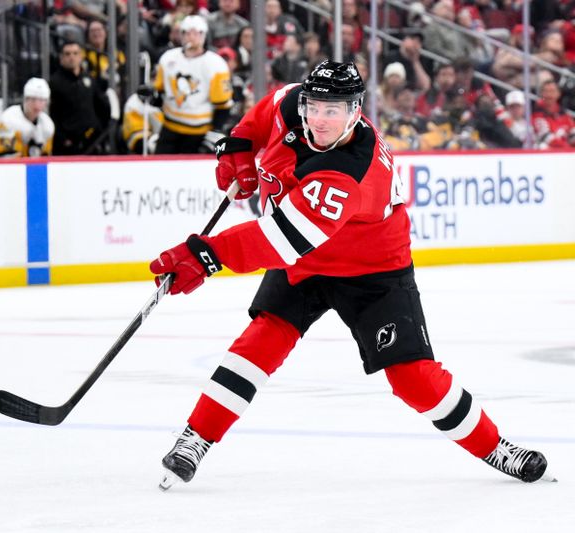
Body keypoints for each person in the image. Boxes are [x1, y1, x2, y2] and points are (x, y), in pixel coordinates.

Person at [149, 60, 552, 491]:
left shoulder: (350, 172)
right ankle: (196, 437)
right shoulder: (294, 105)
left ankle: (494, 446)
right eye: (314, 108)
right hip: (307, 262)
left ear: (355, 111)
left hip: (372, 270)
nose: (320, 120)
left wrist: (206, 255)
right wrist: (240, 145)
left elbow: (282, 238)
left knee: (413, 378)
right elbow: (268, 108)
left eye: (333, 111)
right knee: (259, 342)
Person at [151, 15, 233, 154]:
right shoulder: (168, 58)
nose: (191, 37)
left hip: (200, 132)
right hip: (170, 127)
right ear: (181, 35)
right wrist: (152, 95)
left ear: (204, 35)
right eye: (187, 33)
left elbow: (223, 105)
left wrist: (215, 131)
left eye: (196, 33)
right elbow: (159, 92)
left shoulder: (216, 64)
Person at [49, 40, 110, 155]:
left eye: (75, 53)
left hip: (93, 141)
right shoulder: (54, 83)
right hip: (67, 145)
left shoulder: (89, 79)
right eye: (67, 54)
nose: (71, 57)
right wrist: (63, 139)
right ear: (61, 58)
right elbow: (52, 114)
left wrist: (99, 129)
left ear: (81, 56)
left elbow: (101, 106)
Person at [0, 78, 55, 157]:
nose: (37, 105)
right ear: (25, 99)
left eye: (41, 100)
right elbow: (4, 156)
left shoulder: (47, 125)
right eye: (33, 99)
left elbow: (45, 157)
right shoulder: (9, 118)